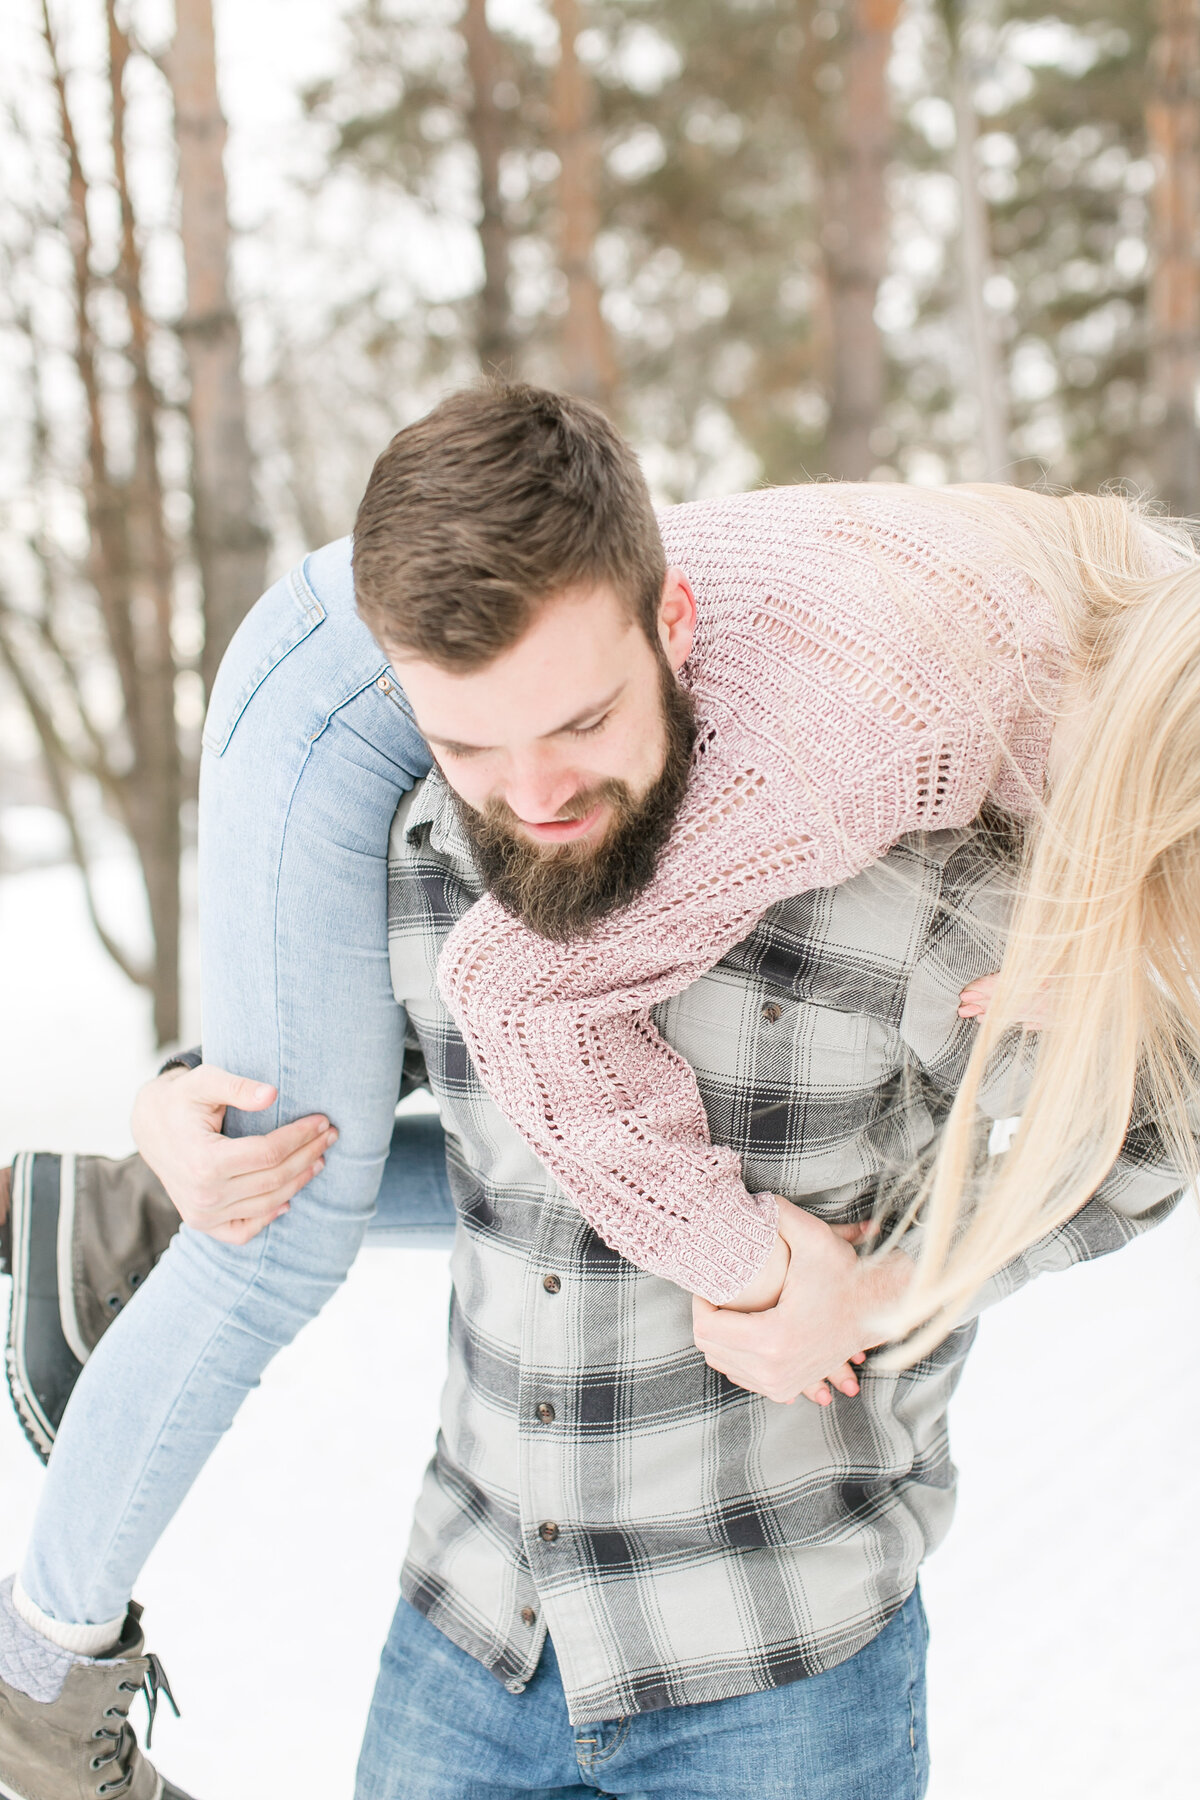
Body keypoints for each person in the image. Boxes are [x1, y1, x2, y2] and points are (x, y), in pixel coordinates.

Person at [0, 382, 1196, 1793]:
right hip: (477, 1636)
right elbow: (374, 1073)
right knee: (351, 1179)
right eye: (476, 751)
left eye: (580, 724)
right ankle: (40, 1662)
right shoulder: (448, 836)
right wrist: (187, 1111)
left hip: (778, 1657)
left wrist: (891, 1289)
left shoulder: (928, 873)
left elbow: (1154, 1126)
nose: (538, 795)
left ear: (672, 633)